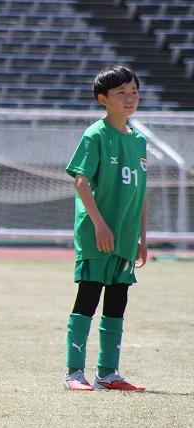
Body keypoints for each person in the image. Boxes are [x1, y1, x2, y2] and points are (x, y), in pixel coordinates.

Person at [63, 63, 147, 392]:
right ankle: (73, 374)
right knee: (88, 297)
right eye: (121, 93)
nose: (130, 98)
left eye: (134, 92)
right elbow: (81, 183)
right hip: (98, 234)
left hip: (126, 237)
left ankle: (108, 373)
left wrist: (142, 236)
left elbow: (141, 192)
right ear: (103, 98)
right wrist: (99, 224)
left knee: (117, 301)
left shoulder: (139, 140)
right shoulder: (95, 135)